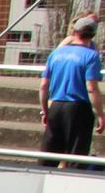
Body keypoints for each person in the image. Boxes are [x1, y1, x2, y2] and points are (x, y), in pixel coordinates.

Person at [41, 16, 102, 166]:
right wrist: (100, 114)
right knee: (76, 156)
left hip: (56, 106)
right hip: (78, 108)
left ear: (74, 31)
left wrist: (45, 111)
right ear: (93, 35)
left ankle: (41, 178)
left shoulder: (56, 54)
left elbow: (43, 86)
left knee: (48, 155)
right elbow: (91, 88)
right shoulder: (91, 56)